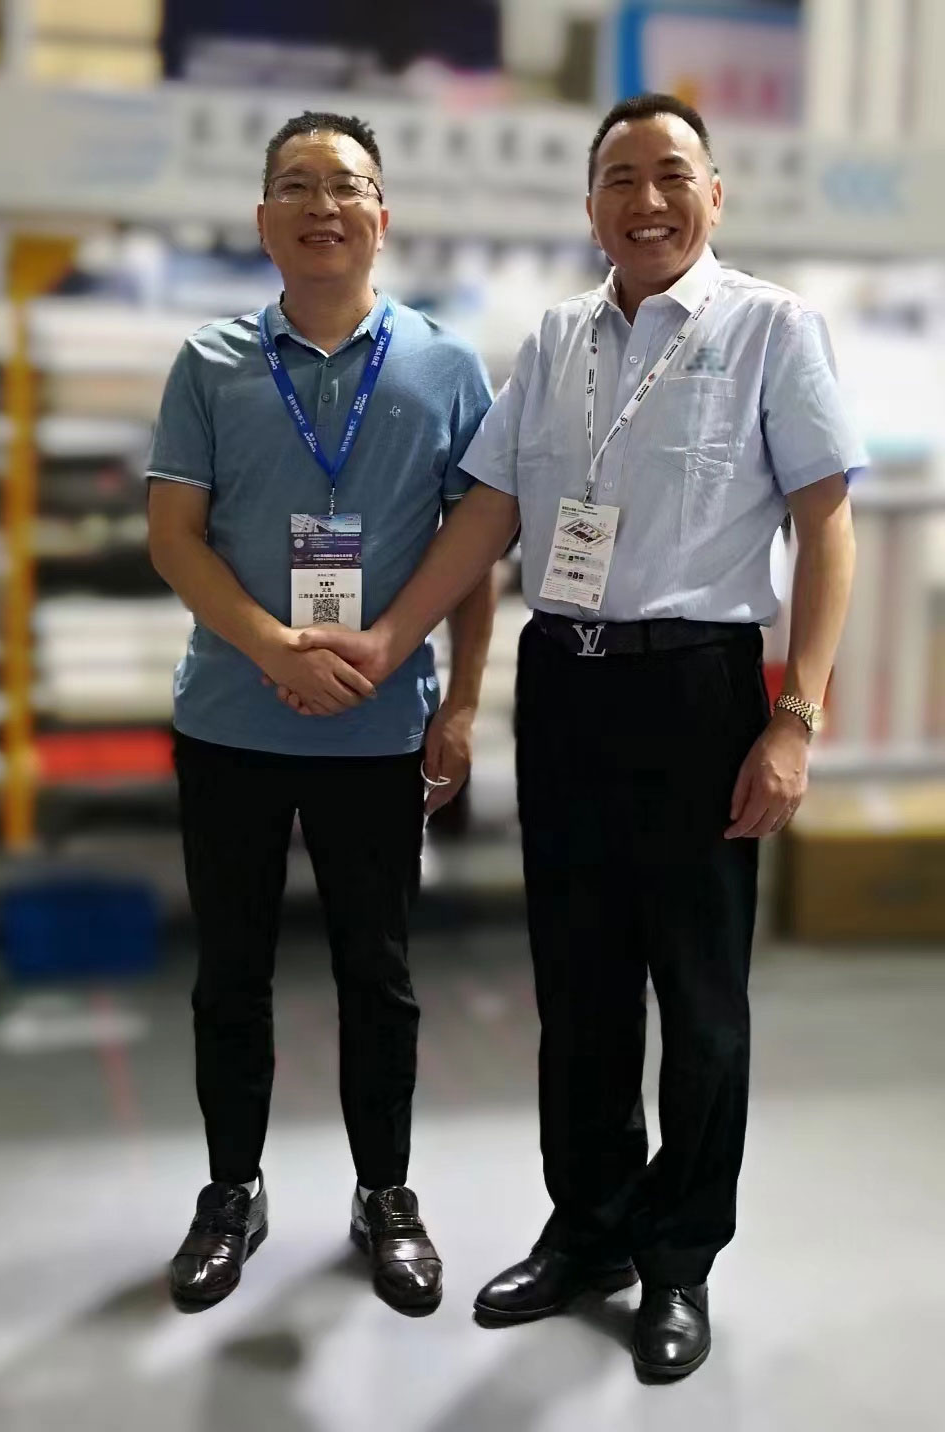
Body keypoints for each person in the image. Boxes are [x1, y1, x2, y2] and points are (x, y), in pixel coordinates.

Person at [289, 93, 861, 1374]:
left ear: (715, 194)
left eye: (671, 175)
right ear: (590, 204)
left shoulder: (771, 327)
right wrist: (391, 639)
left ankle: (680, 1258)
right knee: (581, 985)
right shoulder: (557, 338)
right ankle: (590, 1229)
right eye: (620, 178)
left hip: (698, 690)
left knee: (700, 1001)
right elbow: (491, 511)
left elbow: (826, 522)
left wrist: (796, 717)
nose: (646, 201)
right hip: (567, 685)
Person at [146, 110, 495, 1317]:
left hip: (379, 730)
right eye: (295, 186)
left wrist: (463, 705)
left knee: (378, 974)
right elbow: (174, 537)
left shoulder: (446, 367)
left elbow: (473, 551)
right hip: (232, 721)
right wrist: (274, 647)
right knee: (230, 974)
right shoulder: (209, 363)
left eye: (344, 185)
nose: (321, 206)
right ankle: (230, 1191)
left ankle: (384, 1193)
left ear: (382, 217)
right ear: (262, 221)